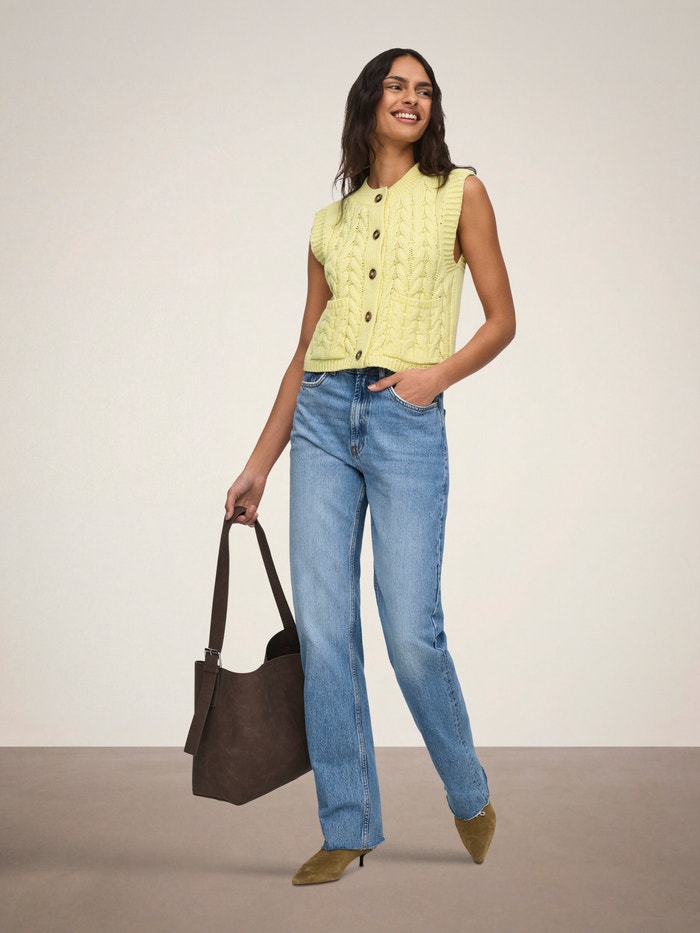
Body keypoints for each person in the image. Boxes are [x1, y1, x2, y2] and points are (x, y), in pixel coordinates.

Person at [225, 48, 515, 885]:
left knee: (410, 629)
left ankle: (469, 791)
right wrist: (259, 463)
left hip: (405, 420)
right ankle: (347, 825)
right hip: (320, 417)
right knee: (324, 630)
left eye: (425, 90)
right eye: (397, 86)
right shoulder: (331, 223)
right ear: (369, 102)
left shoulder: (461, 192)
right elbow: (304, 349)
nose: (412, 99)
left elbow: (502, 319)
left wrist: (435, 377)